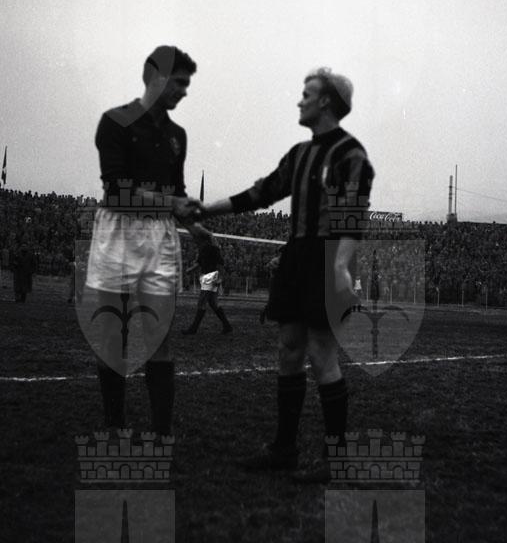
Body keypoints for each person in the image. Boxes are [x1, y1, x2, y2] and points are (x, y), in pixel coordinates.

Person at [198, 67, 374, 482]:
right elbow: (260, 193)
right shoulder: (299, 154)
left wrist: (340, 265)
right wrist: (207, 209)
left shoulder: (351, 155)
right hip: (297, 255)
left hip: (327, 256)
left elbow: (354, 217)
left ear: (326, 102)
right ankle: (284, 450)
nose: (300, 100)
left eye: (306, 94)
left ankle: (336, 460)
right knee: (289, 348)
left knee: (322, 352)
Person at [84, 45, 200, 435]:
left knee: (159, 338)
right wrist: (172, 203)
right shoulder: (115, 121)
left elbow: (177, 194)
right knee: (112, 337)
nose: (184, 91)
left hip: (159, 239)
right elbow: (117, 191)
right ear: (156, 78)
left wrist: (197, 229)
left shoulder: (177, 135)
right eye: (179, 83)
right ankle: (114, 425)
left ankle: (162, 434)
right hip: (117, 233)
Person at [181, 223, 233, 335]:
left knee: (202, 301)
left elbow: (220, 264)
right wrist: (189, 270)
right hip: (208, 275)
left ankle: (193, 329)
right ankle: (227, 326)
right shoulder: (204, 249)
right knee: (213, 303)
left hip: (211, 275)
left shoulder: (213, 249)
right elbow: (199, 263)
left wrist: (220, 278)